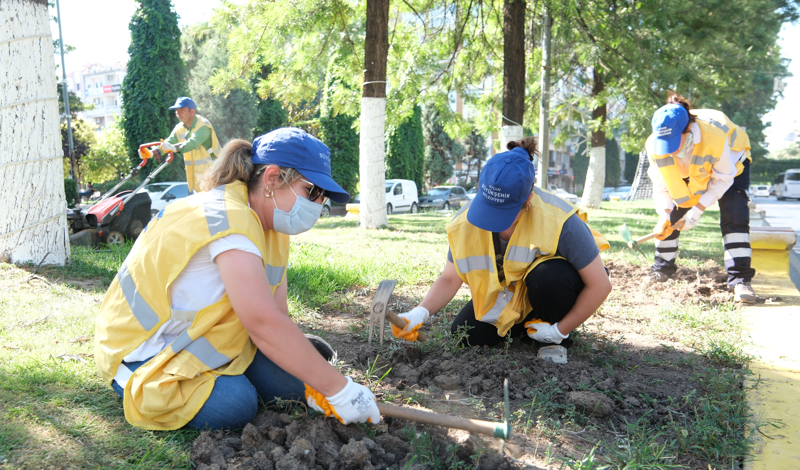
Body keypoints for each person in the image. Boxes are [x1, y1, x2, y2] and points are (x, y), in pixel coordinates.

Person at [94, 128, 381, 431]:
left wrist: (318, 376)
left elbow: (277, 314)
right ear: (271, 179)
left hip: (199, 339)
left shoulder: (270, 227)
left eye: (323, 196)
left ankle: (235, 375)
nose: (319, 203)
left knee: (302, 385)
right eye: (312, 191)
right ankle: (186, 382)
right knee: (236, 404)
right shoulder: (228, 220)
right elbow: (263, 323)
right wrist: (342, 390)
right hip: (143, 352)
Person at [391, 138, 612, 365]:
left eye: (504, 212)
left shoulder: (559, 219)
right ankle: (525, 328)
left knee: (549, 275)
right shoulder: (463, 223)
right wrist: (420, 313)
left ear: (528, 198)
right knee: (465, 334)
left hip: (551, 293)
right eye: (488, 209)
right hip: (511, 298)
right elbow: (450, 277)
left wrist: (560, 330)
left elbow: (600, 284)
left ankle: (551, 341)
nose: (493, 221)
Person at [646, 93, 755, 303]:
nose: (670, 150)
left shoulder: (714, 138)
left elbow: (723, 179)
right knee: (670, 219)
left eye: (674, 142)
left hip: (733, 163)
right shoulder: (655, 144)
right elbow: (662, 187)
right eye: (665, 144)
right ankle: (661, 269)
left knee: (734, 215)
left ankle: (740, 280)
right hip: (693, 169)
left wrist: (698, 210)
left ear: (688, 131)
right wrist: (664, 214)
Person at [160, 97, 221, 193]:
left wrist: (174, 148)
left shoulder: (203, 125)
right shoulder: (179, 128)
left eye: (182, 110)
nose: (178, 113)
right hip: (196, 180)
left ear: (192, 112)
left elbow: (192, 143)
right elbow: (168, 142)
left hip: (214, 175)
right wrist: (152, 152)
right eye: (176, 111)